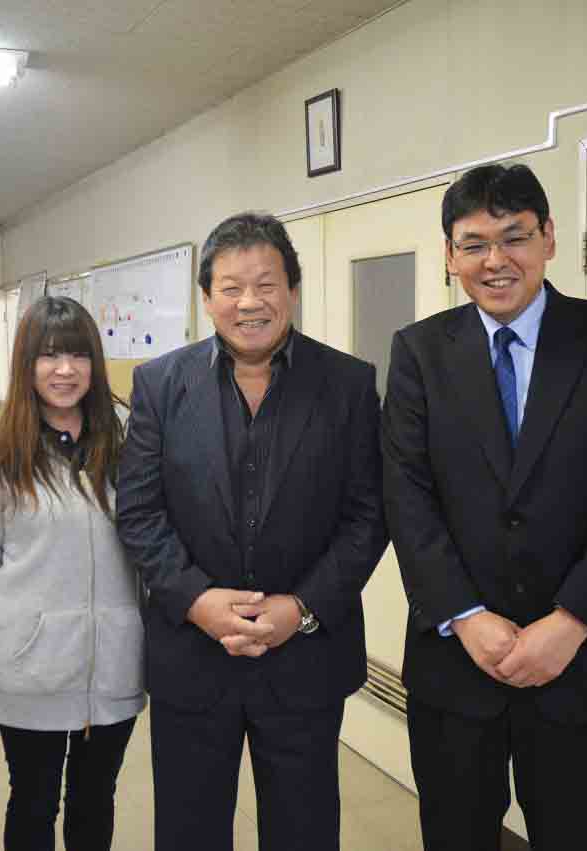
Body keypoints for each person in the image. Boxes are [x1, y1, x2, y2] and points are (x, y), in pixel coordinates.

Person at [381, 163, 587, 851]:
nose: (496, 260)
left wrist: (569, 623)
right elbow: (407, 494)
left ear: (549, 238)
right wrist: (466, 615)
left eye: (514, 237)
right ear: (450, 256)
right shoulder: (420, 352)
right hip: (458, 664)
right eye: (474, 243)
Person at [117, 212, 388, 851]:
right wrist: (197, 601)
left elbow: (369, 514)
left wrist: (304, 607)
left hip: (304, 659)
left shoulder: (348, 384)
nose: (249, 302)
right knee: (189, 831)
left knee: (303, 831)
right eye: (231, 287)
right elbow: (140, 511)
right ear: (206, 298)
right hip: (193, 656)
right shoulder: (160, 385)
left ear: (292, 289)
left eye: (266, 284)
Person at [0, 296, 144, 851]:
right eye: (49, 356)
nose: (65, 370)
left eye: (79, 355)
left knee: (96, 798)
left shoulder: (128, 439)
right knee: (33, 801)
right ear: (27, 364)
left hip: (113, 662)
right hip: (28, 664)